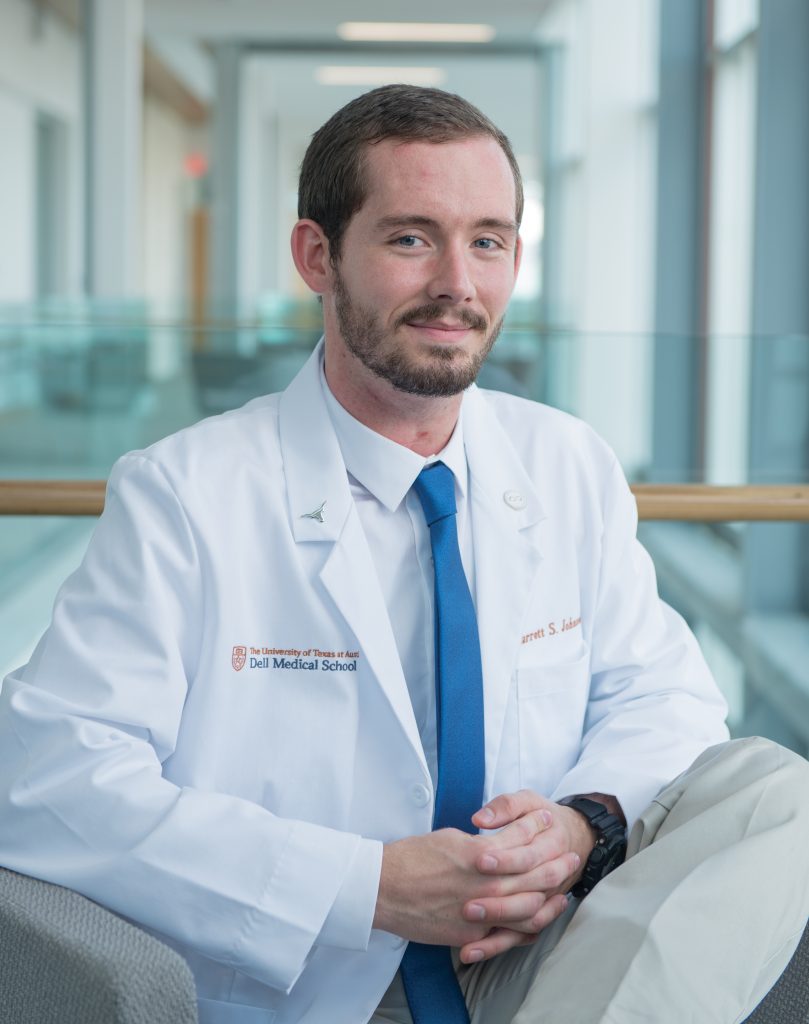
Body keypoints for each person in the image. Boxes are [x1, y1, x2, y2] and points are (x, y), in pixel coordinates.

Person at [0, 85, 807, 1024]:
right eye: (410, 237)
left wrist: (581, 824)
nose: (458, 284)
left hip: (543, 957)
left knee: (777, 792)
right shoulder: (186, 494)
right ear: (317, 256)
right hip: (317, 972)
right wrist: (367, 886)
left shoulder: (566, 462)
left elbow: (662, 696)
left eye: (489, 241)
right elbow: (48, 776)